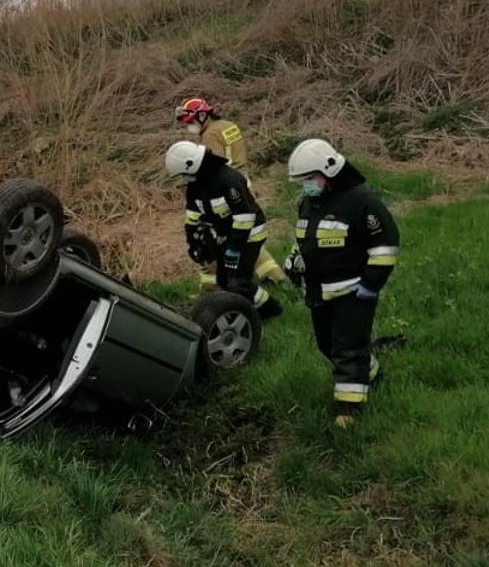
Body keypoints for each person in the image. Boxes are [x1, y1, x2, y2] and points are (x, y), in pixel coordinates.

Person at [284, 138, 400, 427]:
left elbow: (385, 245)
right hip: (318, 291)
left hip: (354, 292)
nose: (307, 185)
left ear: (330, 170)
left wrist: (370, 285)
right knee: (328, 345)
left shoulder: (362, 201)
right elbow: (305, 241)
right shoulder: (309, 203)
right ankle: (370, 372)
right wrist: (294, 260)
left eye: (310, 179)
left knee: (348, 348)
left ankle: (348, 412)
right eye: (303, 181)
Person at [175, 97, 286, 294]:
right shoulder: (228, 125)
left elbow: (212, 165)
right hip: (242, 180)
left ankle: (214, 288)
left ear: (202, 116)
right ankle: (274, 276)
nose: (188, 127)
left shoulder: (209, 135)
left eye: (190, 122)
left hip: (227, 189)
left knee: (218, 237)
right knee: (250, 236)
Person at [165, 141, 278, 318]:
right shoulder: (196, 184)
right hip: (228, 234)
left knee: (238, 281)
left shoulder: (229, 180)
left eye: (183, 174)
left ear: (192, 165)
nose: (183, 179)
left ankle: (268, 310)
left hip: (250, 234)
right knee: (224, 280)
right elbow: (193, 213)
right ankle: (247, 308)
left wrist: (233, 250)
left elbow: (244, 217)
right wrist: (192, 240)